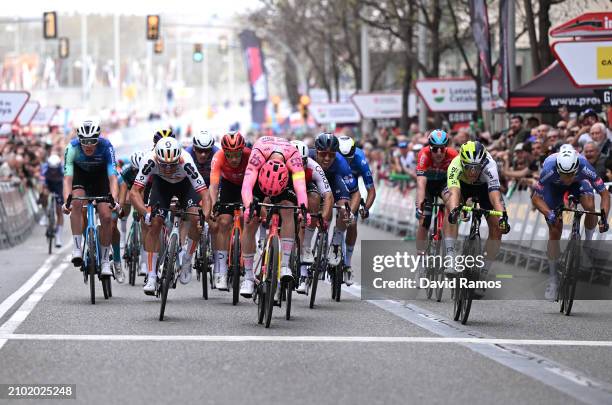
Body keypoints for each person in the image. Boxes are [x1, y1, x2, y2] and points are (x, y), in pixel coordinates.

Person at [130, 137, 211, 295]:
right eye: (164, 164)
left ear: (178, 159)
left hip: (185, 185)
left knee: (196, 219)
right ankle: (151, 275)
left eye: (172, 164)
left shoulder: (186, 162)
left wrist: (204, 218)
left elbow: (205, 195)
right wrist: (145, 212)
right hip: (161, 186)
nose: (167, 168)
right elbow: (134, 192)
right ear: (157, 158)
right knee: (154, 222)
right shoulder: (150, 160)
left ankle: (187, 259)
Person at [532, 144, 609, 300]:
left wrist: (604, 217)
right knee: (554, 230)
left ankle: (588, 242)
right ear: (558, 169)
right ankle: (553, 280)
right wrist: (549, 213)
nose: (567, 178)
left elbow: (605, 194)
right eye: (564, 174)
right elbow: (536, 198)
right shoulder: (549, 169)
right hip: (553, 188)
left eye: (570, 174)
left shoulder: (584, 166)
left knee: (590, 206)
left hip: (579, 183)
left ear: (576, 168)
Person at [241, 135, 309, 303]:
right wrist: (249, 207)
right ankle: (248, 278)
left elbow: (301, 189)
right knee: (249, 222)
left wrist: (303, 210)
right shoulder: (257, 154)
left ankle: (285, 264)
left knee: (288, 210)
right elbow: (247, 186)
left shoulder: (294, 158)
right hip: (260, 183)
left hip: (284, 185)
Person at [62, 119, 121, 278]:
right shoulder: (72, 148)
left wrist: (113, 200)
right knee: (75, 202)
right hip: (81, 178)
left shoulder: (106, 146)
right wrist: (66, 201)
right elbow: (67, 179)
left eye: (92, 141)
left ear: (98, 139)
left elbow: (113, 178)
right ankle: (76, 248)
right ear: (79, 140)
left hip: (100, 178)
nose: (88, 145)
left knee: (107, 216)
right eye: (85, 141)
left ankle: (105, 261)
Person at [444, 141, 510, 281]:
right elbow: (454, 192)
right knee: (450, 207)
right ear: (462, 163)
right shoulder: (454, 166)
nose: (473, 172)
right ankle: (450, 257)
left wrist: (502, 216)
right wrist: (455, 210)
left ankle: (484, 271)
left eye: (477, 167)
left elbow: (495, 195)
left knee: (498, 227)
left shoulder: (490, 165)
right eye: (469, 167)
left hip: (484, 189)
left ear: (482, 163)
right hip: (463, 187)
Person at [208, 131, 256, 296]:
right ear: (224, 152)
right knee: (223, 222)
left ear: (242, 150)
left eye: (237, 155)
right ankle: (221, 271)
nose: (234, 159)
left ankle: (244, 255)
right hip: (228, 185)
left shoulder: (250, 156)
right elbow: (213, 185)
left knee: (246, 219)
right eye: (230, 155)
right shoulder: (218, 157)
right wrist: (214, 204)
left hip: (247, 185)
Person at [311, 133, 361, 283]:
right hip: (314, 183)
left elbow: (356, 193)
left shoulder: (341, 163)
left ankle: (335, 244)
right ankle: (314, 245)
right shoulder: (308, 157)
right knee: (314, 206)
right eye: (323, 154)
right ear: (316, 151)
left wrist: (350, 213)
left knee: (345, 210)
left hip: (334, 184)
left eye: (331, 155)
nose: (327, 158)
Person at [291, 139, 333, 293]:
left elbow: (328, 195)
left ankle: (306, 247)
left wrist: (323, 217)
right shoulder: (281, 164)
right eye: (294, 162)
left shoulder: (313, 166)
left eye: (301, 162)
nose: (297, 166)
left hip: (306, 187)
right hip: (286, 186)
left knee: (314, 198)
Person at [414, 130, 458, 277]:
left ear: (446, 147)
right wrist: (419, 203)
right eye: (435, 149)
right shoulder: (424, 155)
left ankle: (451, 255)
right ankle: (420, 262)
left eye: (442, 149)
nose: (439, 152)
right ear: (430, 147)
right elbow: (421, 183)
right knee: (424, 220)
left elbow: (456, 184)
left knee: (452, 207)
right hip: (427, 187)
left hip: (443, 185)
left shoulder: (453, 155)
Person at [336, 135, 376, 285]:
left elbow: (371, 190)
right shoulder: (332, 156)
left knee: (351, 223)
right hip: (334, 185)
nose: (346, 163)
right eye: (343, 159)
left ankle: (347, 264)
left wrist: (366, 208)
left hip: (352, 190)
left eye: (349, 159)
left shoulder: (360, 159)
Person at [40, 154, 65, 247]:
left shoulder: (62, 168)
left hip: (59, 185)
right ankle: (45, 214)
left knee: (59, 211)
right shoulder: (45, 167)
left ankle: (58, 236)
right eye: (52, 169)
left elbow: (66, 182)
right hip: (48, 183)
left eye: (55, 169)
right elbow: (42, 182)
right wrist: (43, 192)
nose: (54, 171)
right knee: (44, 194)